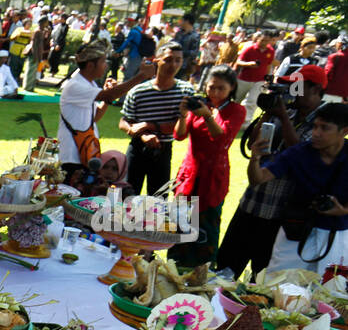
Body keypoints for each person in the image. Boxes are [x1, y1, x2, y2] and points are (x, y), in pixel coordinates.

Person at [217, 65, 329, 277]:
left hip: (281, 215)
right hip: (252, 202)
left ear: (315, 90)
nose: (290, 92)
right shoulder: (286, 109)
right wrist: (268, 113)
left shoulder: (322, 123)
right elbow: (252, 143)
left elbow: (300, 155)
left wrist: (284, 117)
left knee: (262, 277)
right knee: (225, 267)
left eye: (296, 87)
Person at [246, 102, 348, 274]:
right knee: (278, 284)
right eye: (315, 126)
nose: (316, 133)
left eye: (325, 128)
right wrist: (255, 158)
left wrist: (343, 210)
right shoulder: (300, 152)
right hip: (296, 230)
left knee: (332, 290)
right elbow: (258, 179)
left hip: (337, 234)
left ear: (344, 131)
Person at [165, 65, 245, 267]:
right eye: (211, 87)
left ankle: (201, 272)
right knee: (179, 224)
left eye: (221, 88)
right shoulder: (200, 105)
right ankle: (174, 267)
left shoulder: (236, 110)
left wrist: (207, 116)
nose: (215, 93)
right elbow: (179, 135)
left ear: (232, 88)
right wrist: (183, 114)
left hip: (212, 176)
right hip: (189, 172)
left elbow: (222, 138)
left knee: (206, 227)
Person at [57, 41, 154, 183]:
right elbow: (109, 95)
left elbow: (95, 117)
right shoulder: (75, 85)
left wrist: (106, 97)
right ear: (90, 65)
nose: (106, 66)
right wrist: (141, 76)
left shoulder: (88, 84)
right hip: (72, 155)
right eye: (103, 62)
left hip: (84, 152)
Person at [119, 40, 189, 195]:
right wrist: (143, 135)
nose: (173, 65)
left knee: (158, 199)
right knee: (126, 195)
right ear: (157, 61)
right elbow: (124, 121)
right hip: (137, 147)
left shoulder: (185, 91)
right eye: (168, 60)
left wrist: (147, 125)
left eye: (178, 60)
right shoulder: (139, 91)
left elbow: (181, 127)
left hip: (163, 150)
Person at [234, 29, 277, 119]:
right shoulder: (250, 49)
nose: (264, 42)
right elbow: (238, 61)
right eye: (262, 40)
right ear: (258, 39)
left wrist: (267, 79)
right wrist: (249, 64)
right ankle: (231, 116)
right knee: (236, 100)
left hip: (259, 80)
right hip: (244, 79)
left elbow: (268, 65)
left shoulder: (271, 51)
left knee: (252, 102)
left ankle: (245, 122)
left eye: (267, 41)